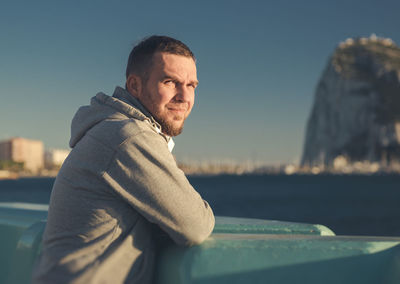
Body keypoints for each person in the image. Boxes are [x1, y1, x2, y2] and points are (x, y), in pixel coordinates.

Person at [32, 35, 215, 284]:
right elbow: (196, 225)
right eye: (170, 82)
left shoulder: (111, 129)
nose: (184, 96)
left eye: (191, 85)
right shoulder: (128, 136)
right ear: (135, 85)